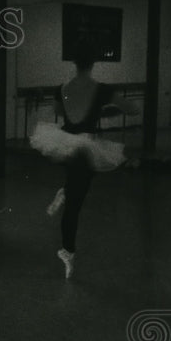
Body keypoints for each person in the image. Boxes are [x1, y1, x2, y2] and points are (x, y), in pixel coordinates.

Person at [29, 45, 138, 278]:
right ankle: (67, 251)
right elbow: (133, 109)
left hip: (67, 143)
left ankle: (66, 192)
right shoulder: (102, 89)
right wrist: (105, 110)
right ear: (94, 63)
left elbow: (60, 111)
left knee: (77, 185)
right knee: (76, 203)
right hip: (86, 145)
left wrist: (94, 111)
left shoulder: (63, 88)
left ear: (74, 63)